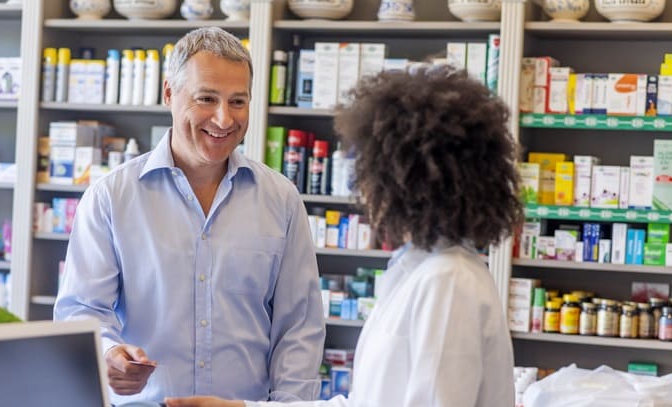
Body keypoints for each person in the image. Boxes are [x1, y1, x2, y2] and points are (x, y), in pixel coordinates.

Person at [164, 65, 524, 407]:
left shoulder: (448, 282)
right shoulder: (418, 270)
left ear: (405, 181)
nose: (362, 188)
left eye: (367, 169)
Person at [53, 27, 325, 405]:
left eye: (238, 101)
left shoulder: (281, 199)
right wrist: (108, 354)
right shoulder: (111, 197)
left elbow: (299, 327)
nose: (224, 118)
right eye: (206, 98)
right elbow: (81, 310)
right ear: (169, 93)